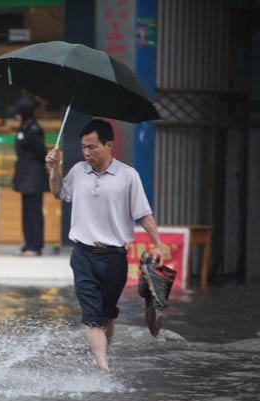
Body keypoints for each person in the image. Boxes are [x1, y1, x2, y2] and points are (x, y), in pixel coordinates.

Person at [45, 118, 164, 372]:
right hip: (83, 255)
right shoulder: (78, 171)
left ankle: (101, 358)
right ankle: (103, 370)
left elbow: (143, 213)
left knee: (107, 315)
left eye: (92, 147)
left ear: (109, 145)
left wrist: (158, 244)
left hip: (114, 258)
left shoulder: (128, 176)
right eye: (83, 147)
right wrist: (54, 169)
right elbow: (58, 192)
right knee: (91, 317)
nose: (86, 152)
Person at [10, 98, 49, 256]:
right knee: (26, 212)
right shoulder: (24, 128)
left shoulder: (34, 130)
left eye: (18, 113)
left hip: (34, 176)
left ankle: (35, 245)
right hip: (24, 176)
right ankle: (28, 243)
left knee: (34, 211)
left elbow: (41, 153)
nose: (16, 115)